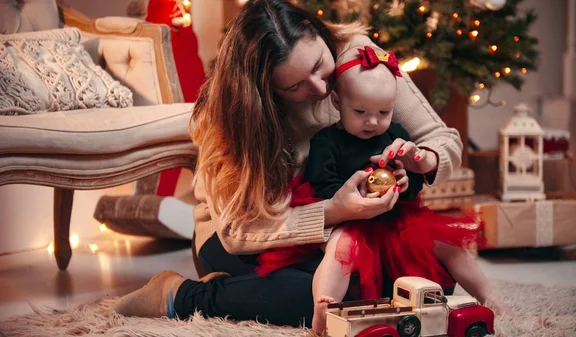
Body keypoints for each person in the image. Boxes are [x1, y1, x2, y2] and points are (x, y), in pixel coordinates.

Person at [113, 0, 502, 329]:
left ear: (318, 33)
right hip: (251, 236)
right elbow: (236, 231)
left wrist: (421, 161)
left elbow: (442, 139)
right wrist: (336, 209)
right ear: (265, 89)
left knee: (427, 283)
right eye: (295, 86)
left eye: (319, 65)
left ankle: (249, 292)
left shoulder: (359, 59)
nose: (319, 89)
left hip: (346, 228)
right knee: (329, 298)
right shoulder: (232, 112)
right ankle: (182, 294)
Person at [253, 45, 503, 333]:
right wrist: (356, 195)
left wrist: (406, 180)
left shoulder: (395, 134)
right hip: (351, 221)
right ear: (336, 101)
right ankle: (324, 306)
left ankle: (489, 297)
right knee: (340, 248)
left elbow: (413, 182)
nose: (372, 121)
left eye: (383, 111)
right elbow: (321, 185)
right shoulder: (327, 142)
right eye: (360, 112)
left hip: (397, 220)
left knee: (451, 247)